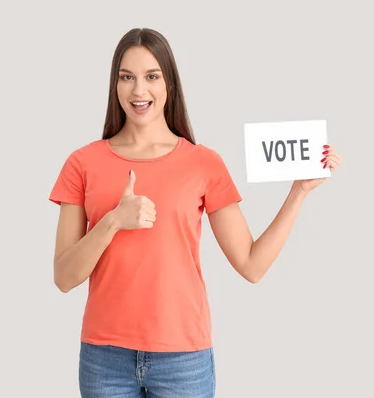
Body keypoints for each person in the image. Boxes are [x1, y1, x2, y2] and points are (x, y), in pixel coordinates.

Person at [48, 28, 342, 398]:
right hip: (105, 359)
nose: (139, 91)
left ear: (169, 83)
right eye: (127, 78)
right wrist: (112, 222)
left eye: (151, 76)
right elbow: (63, 277)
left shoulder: (203, 163)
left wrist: (298, 192)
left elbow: (252, 265)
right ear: (115, 85)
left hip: (183, 359)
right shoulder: (82, 163)